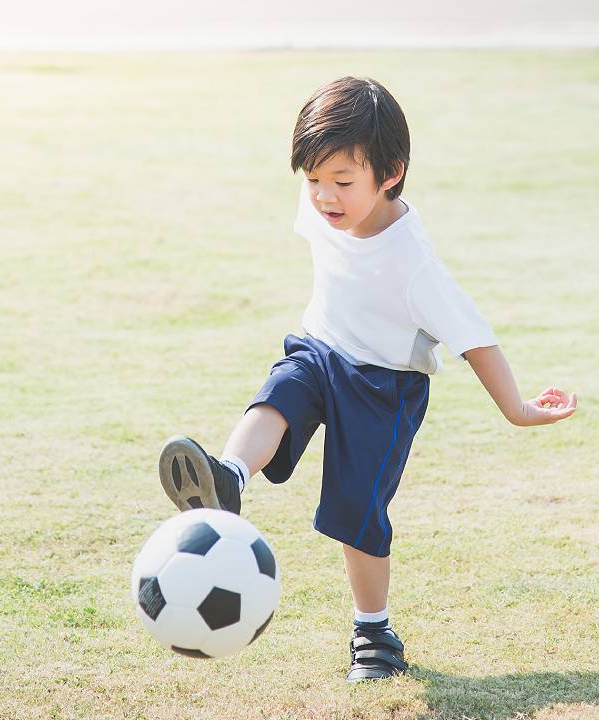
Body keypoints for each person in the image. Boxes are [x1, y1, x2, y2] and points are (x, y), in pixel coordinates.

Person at [158, 76, 577, 682]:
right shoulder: (321, 207)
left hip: (384, 387)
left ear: (391, 173)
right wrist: (324, 190)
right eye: (313, 180)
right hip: (323, 350)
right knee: (281, 391)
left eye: (342, 182)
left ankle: (373, 631)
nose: (324, 197)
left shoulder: (413, 264)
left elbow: (474, 337)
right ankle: (229, 477)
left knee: (356, 512)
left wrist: (517, 408)